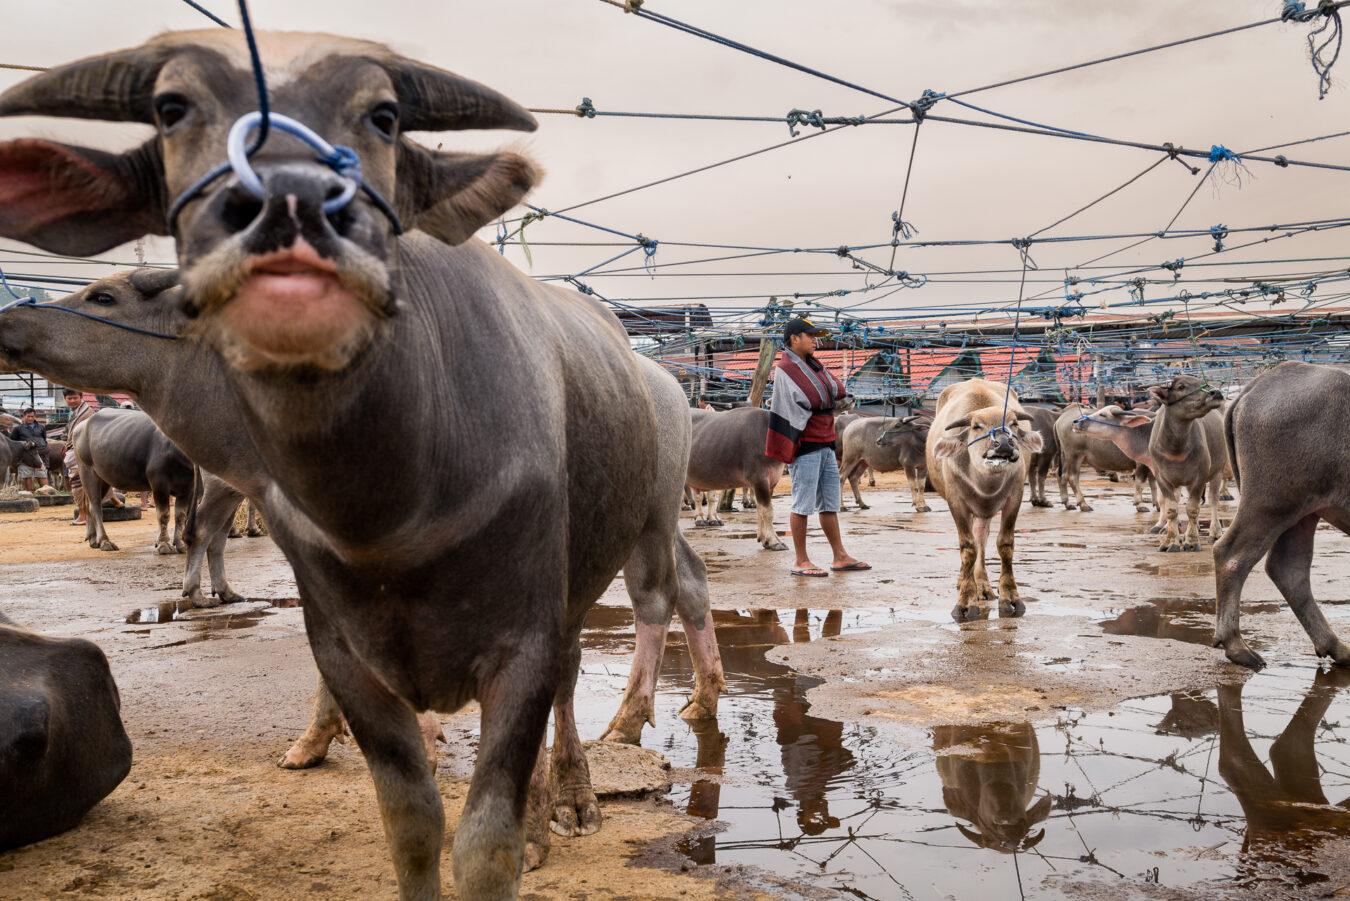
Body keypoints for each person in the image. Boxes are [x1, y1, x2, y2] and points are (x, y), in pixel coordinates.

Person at [765, 316, 870, 577]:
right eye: (810, 335)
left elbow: (834, 392)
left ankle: (840, 556)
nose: (815, 340)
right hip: (805, 447)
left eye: (815, 336)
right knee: (802, 504)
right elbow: (815, 397)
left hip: (826, 445)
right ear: (794, 339)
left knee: (830, 504)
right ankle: (801, 560)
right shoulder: (786, 369)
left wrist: (827, 400)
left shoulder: (814, 366)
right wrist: (828, 401)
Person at [9, 407, 50, 492]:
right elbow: (12, 442)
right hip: (25, 456)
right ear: (24, 416)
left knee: (42, 475)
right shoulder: (18, 428)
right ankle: (29, 494)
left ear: (35, 416)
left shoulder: (41, 427)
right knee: (27, 476)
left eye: (32, 416)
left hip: (40, 454)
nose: (30, 418)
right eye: (28, 416)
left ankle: (47, 494)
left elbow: (44, 439)